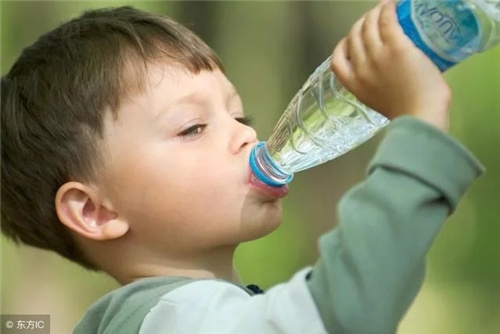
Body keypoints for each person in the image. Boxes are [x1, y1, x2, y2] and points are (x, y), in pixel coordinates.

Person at [1, 1, 484, 333]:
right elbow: (340, 315)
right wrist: (419, 126)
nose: (248, 135)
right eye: (193, 127)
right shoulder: (174, 320)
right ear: (95, 211)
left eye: (239, 117)